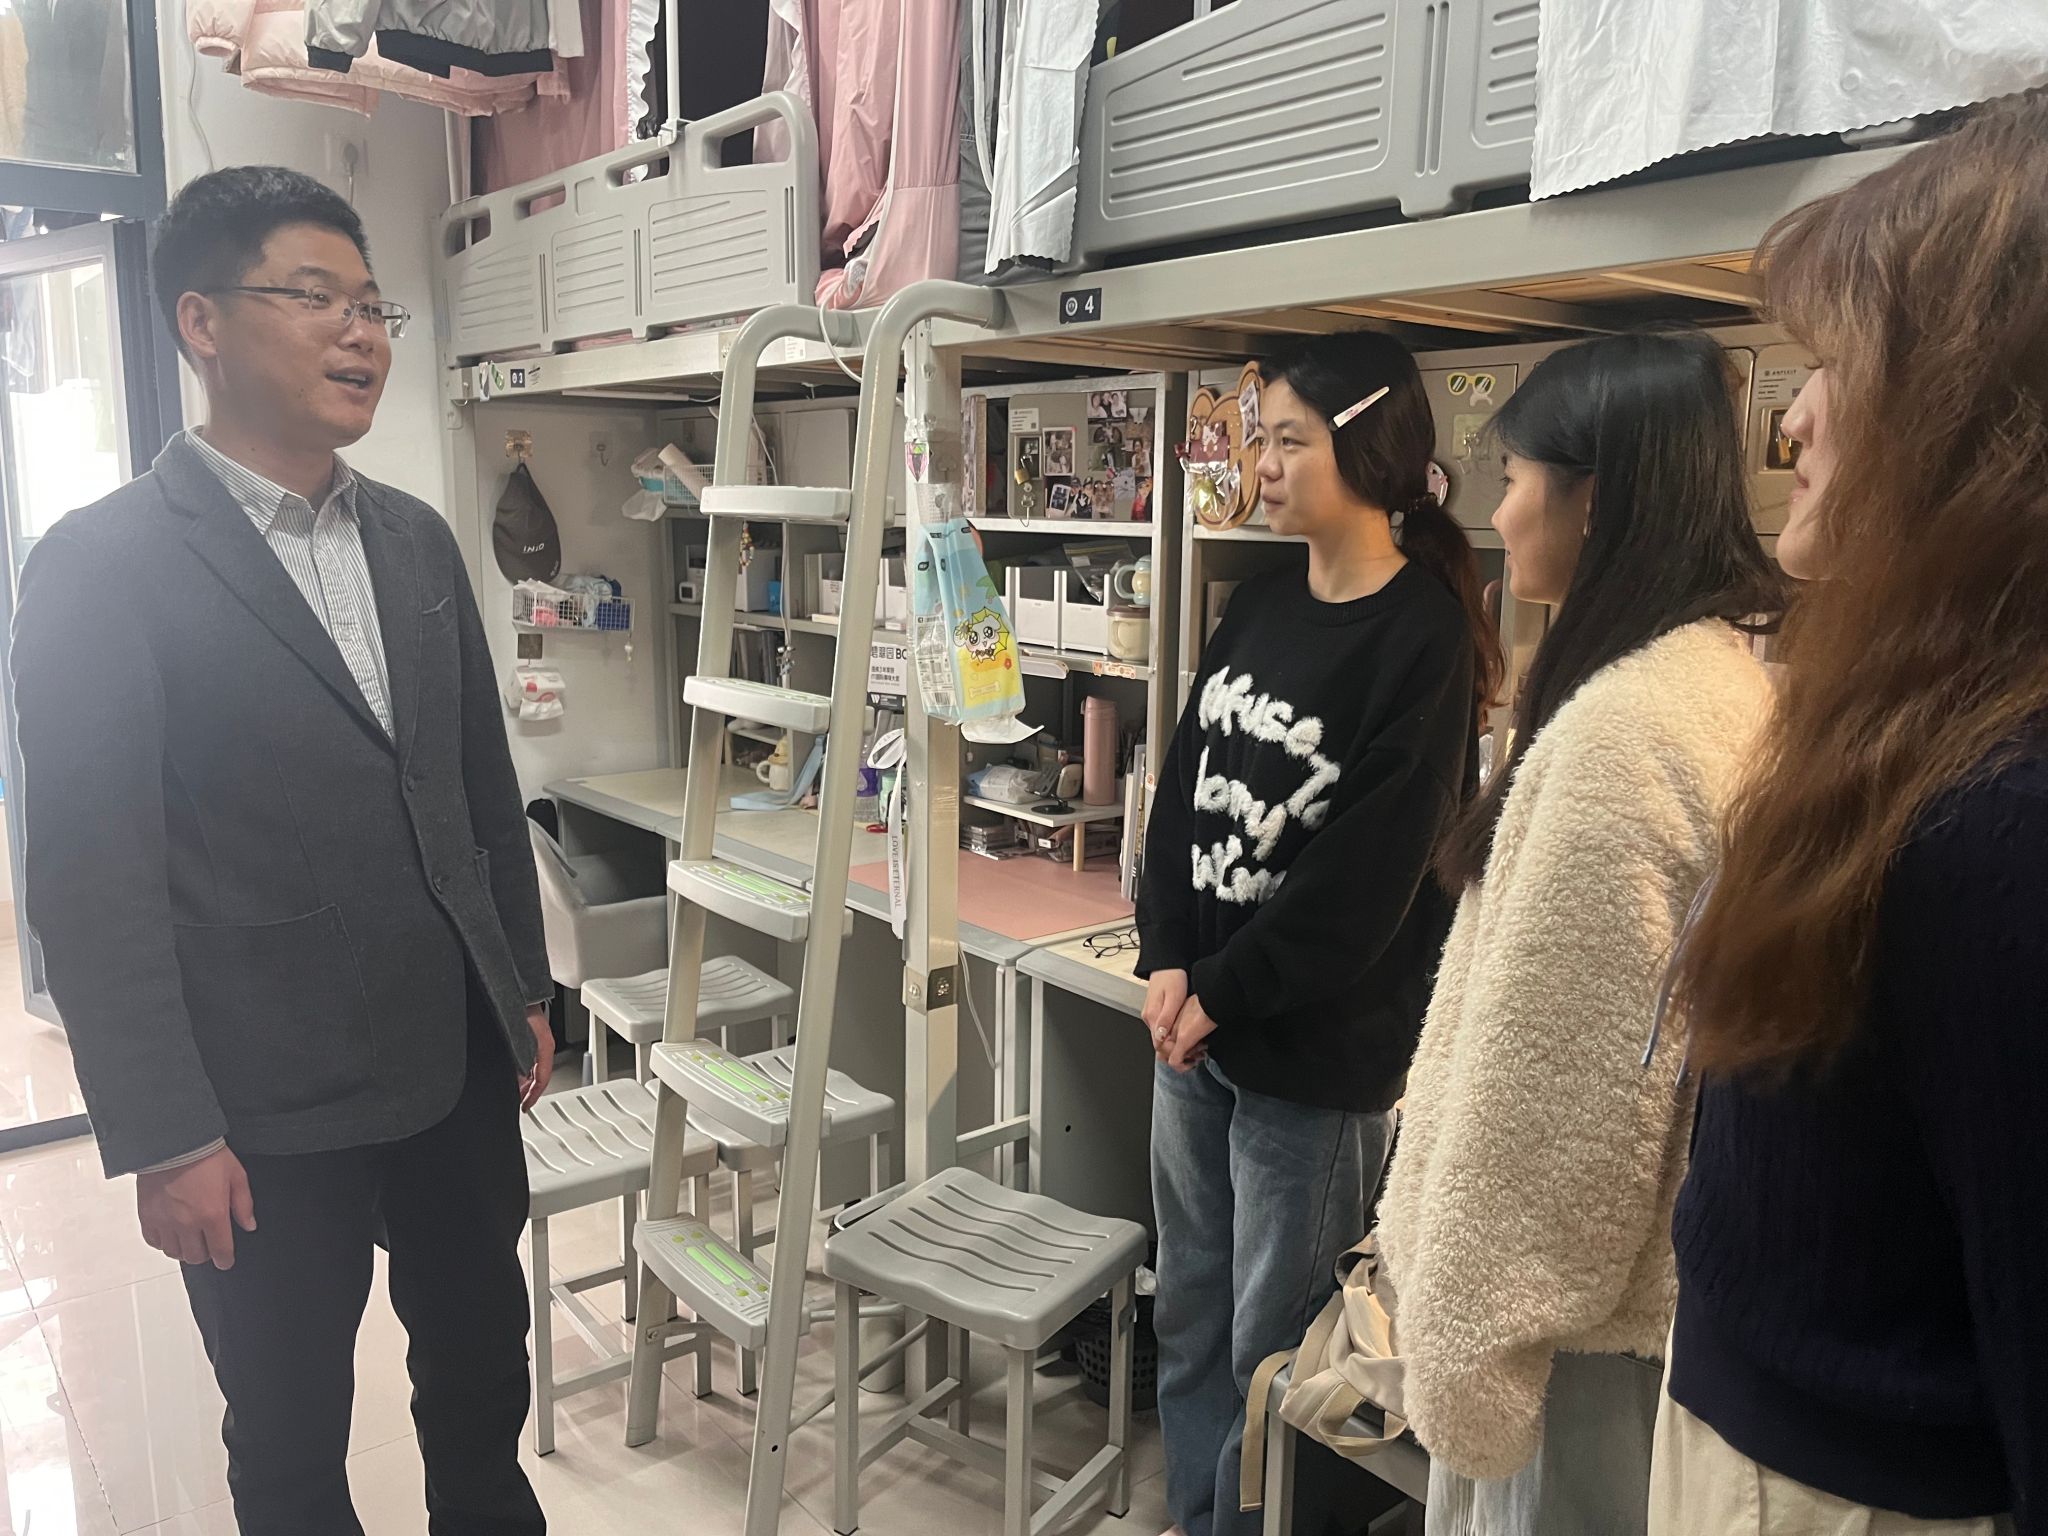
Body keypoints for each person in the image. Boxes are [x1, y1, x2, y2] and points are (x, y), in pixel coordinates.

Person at [10, 166, 554, 1534]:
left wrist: (523, 991)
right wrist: (166, 1133)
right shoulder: (100, 567)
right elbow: (89, 882)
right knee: (293, 1435)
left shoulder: (416, 540)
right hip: (257, 1102)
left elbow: (477, 789)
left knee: (483, 1385)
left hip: (451, 1065)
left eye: (372, 306)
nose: (360, 333)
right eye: (314, 297)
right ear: (201, 322)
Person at [1654, 93, 2048, 1536]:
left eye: (1833, 365)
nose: (1792, 417)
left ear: (1973, 416)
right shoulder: (1916, 737)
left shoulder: (1996, 822)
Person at [1372, 330, 1783, 1535]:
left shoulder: (1622, 738)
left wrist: (1468, 1348)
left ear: (1591, 499)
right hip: (1626, 1317)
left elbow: (1549, 1099)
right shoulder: (1710, 681)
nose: (1498, 513)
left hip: (1565, 1348)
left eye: (1513, 479)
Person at [1136, 332, 1501, 1536]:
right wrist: (1165, 957)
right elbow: (1182, 792)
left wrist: (1220, 991)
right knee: (1189, 1312)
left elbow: (1367, 879)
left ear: (1366, 449)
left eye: (1288, 442)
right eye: (1263, 441)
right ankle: (1198, 1517)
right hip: (1196, 1030)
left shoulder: (1422, 636)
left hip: (1310, 1058)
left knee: (1276, 1352)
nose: (1263, 466)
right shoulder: (1256, 603)